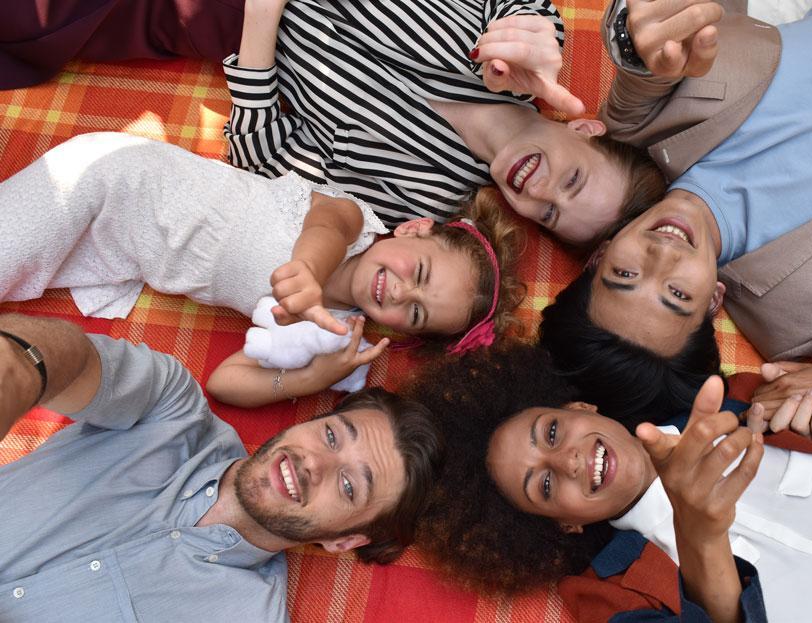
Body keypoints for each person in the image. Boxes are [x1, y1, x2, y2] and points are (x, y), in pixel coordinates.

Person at [541, 0, 812, 420]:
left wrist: (642, 29)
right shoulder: (806, 318)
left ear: (599, 256)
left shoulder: (636, 136)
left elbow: (649, 49)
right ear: (712, 301)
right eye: (677, 294)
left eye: (625, 274)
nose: (663, 255)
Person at [0, 0, 667, 244]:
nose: (540, 192)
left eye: (549, 215)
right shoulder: (530, 36)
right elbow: (533, 31)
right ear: (585, 131)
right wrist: (526, 41)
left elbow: (267, 162)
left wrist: (259, 25)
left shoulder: (420, 199)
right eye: (573, 181)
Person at [410, 344, 812, 622]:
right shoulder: (607, 594)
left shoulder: (742, 402)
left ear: (579, 406)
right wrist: (701, 537)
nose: (567, 460)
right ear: (565, 524)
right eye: (543, 486)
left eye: (551, 431)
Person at [0, 132, 524, 393]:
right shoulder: (354, 219)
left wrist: (317, 376)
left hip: (125, 252)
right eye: (422, 273)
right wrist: (309, 272)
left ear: (402, 334)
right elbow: (324, 231)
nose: (403, 292)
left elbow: (226, 382)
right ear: (414, 229)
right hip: (118, 180)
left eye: (416, 313)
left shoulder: (333, 336)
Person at [0, 312, 443, 620]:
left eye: (348, 486)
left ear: (345, 541)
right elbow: (72, 363)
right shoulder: (171, 407)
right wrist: (21, 370)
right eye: (331, 435)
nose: (315, 463)